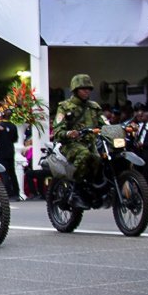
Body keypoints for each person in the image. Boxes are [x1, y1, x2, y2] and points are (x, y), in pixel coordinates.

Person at [52, 74, 106, 209]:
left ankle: (97, 189)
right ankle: (76, 191)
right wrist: (69, 133)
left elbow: (105, 124)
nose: (87, 91)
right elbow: (57, 131)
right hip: (71, 145)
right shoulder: (65, 107)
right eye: (83, 88)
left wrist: (123, 127)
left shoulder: (94, 107)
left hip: (91, 143)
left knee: (101, 158)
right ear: (75, 90)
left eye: (89, 88)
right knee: (84, 155)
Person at [0, 108, 20, 200]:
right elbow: (15, 139)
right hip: (10, 151)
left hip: (1, 151)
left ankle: (8, 193)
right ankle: (16, 192)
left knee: (3, 172)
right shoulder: (13, 126)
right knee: (12, 173)